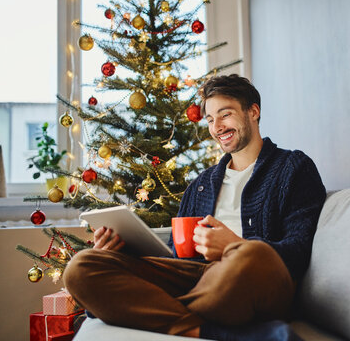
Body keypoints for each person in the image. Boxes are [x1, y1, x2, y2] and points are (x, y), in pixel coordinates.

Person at [63, 74, 326, 340]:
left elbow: (299, 250)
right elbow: (177, 259)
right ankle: (207, 329)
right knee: (81, 267)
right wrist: (121, 251)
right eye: (210, 120)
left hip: (252, 276)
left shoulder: (292, 167)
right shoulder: (201, 184)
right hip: (197, 279)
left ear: (253, 112)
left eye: (225, 114)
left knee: (253, 254)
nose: (217, 127)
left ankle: (142, 310)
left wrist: (232, 245)